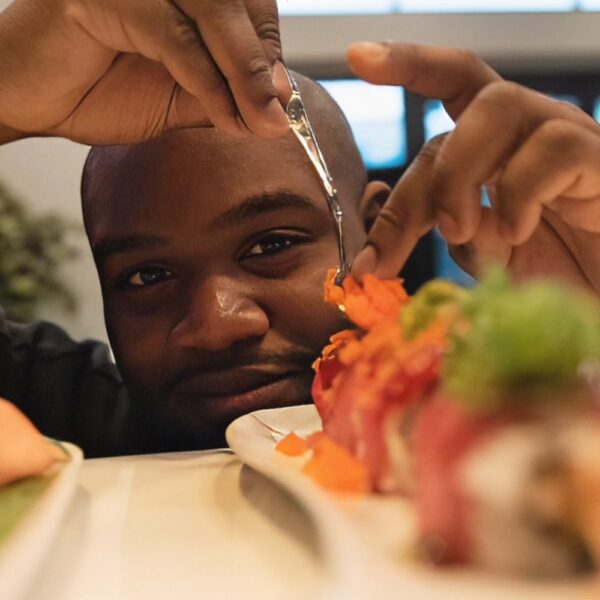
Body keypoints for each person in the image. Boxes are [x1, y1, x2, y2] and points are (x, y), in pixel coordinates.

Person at [1, 0, 600, 455]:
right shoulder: (49, 415)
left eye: (271, 245)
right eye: (145, 275)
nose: (217, 324)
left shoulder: (496, 427)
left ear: (376, 229)